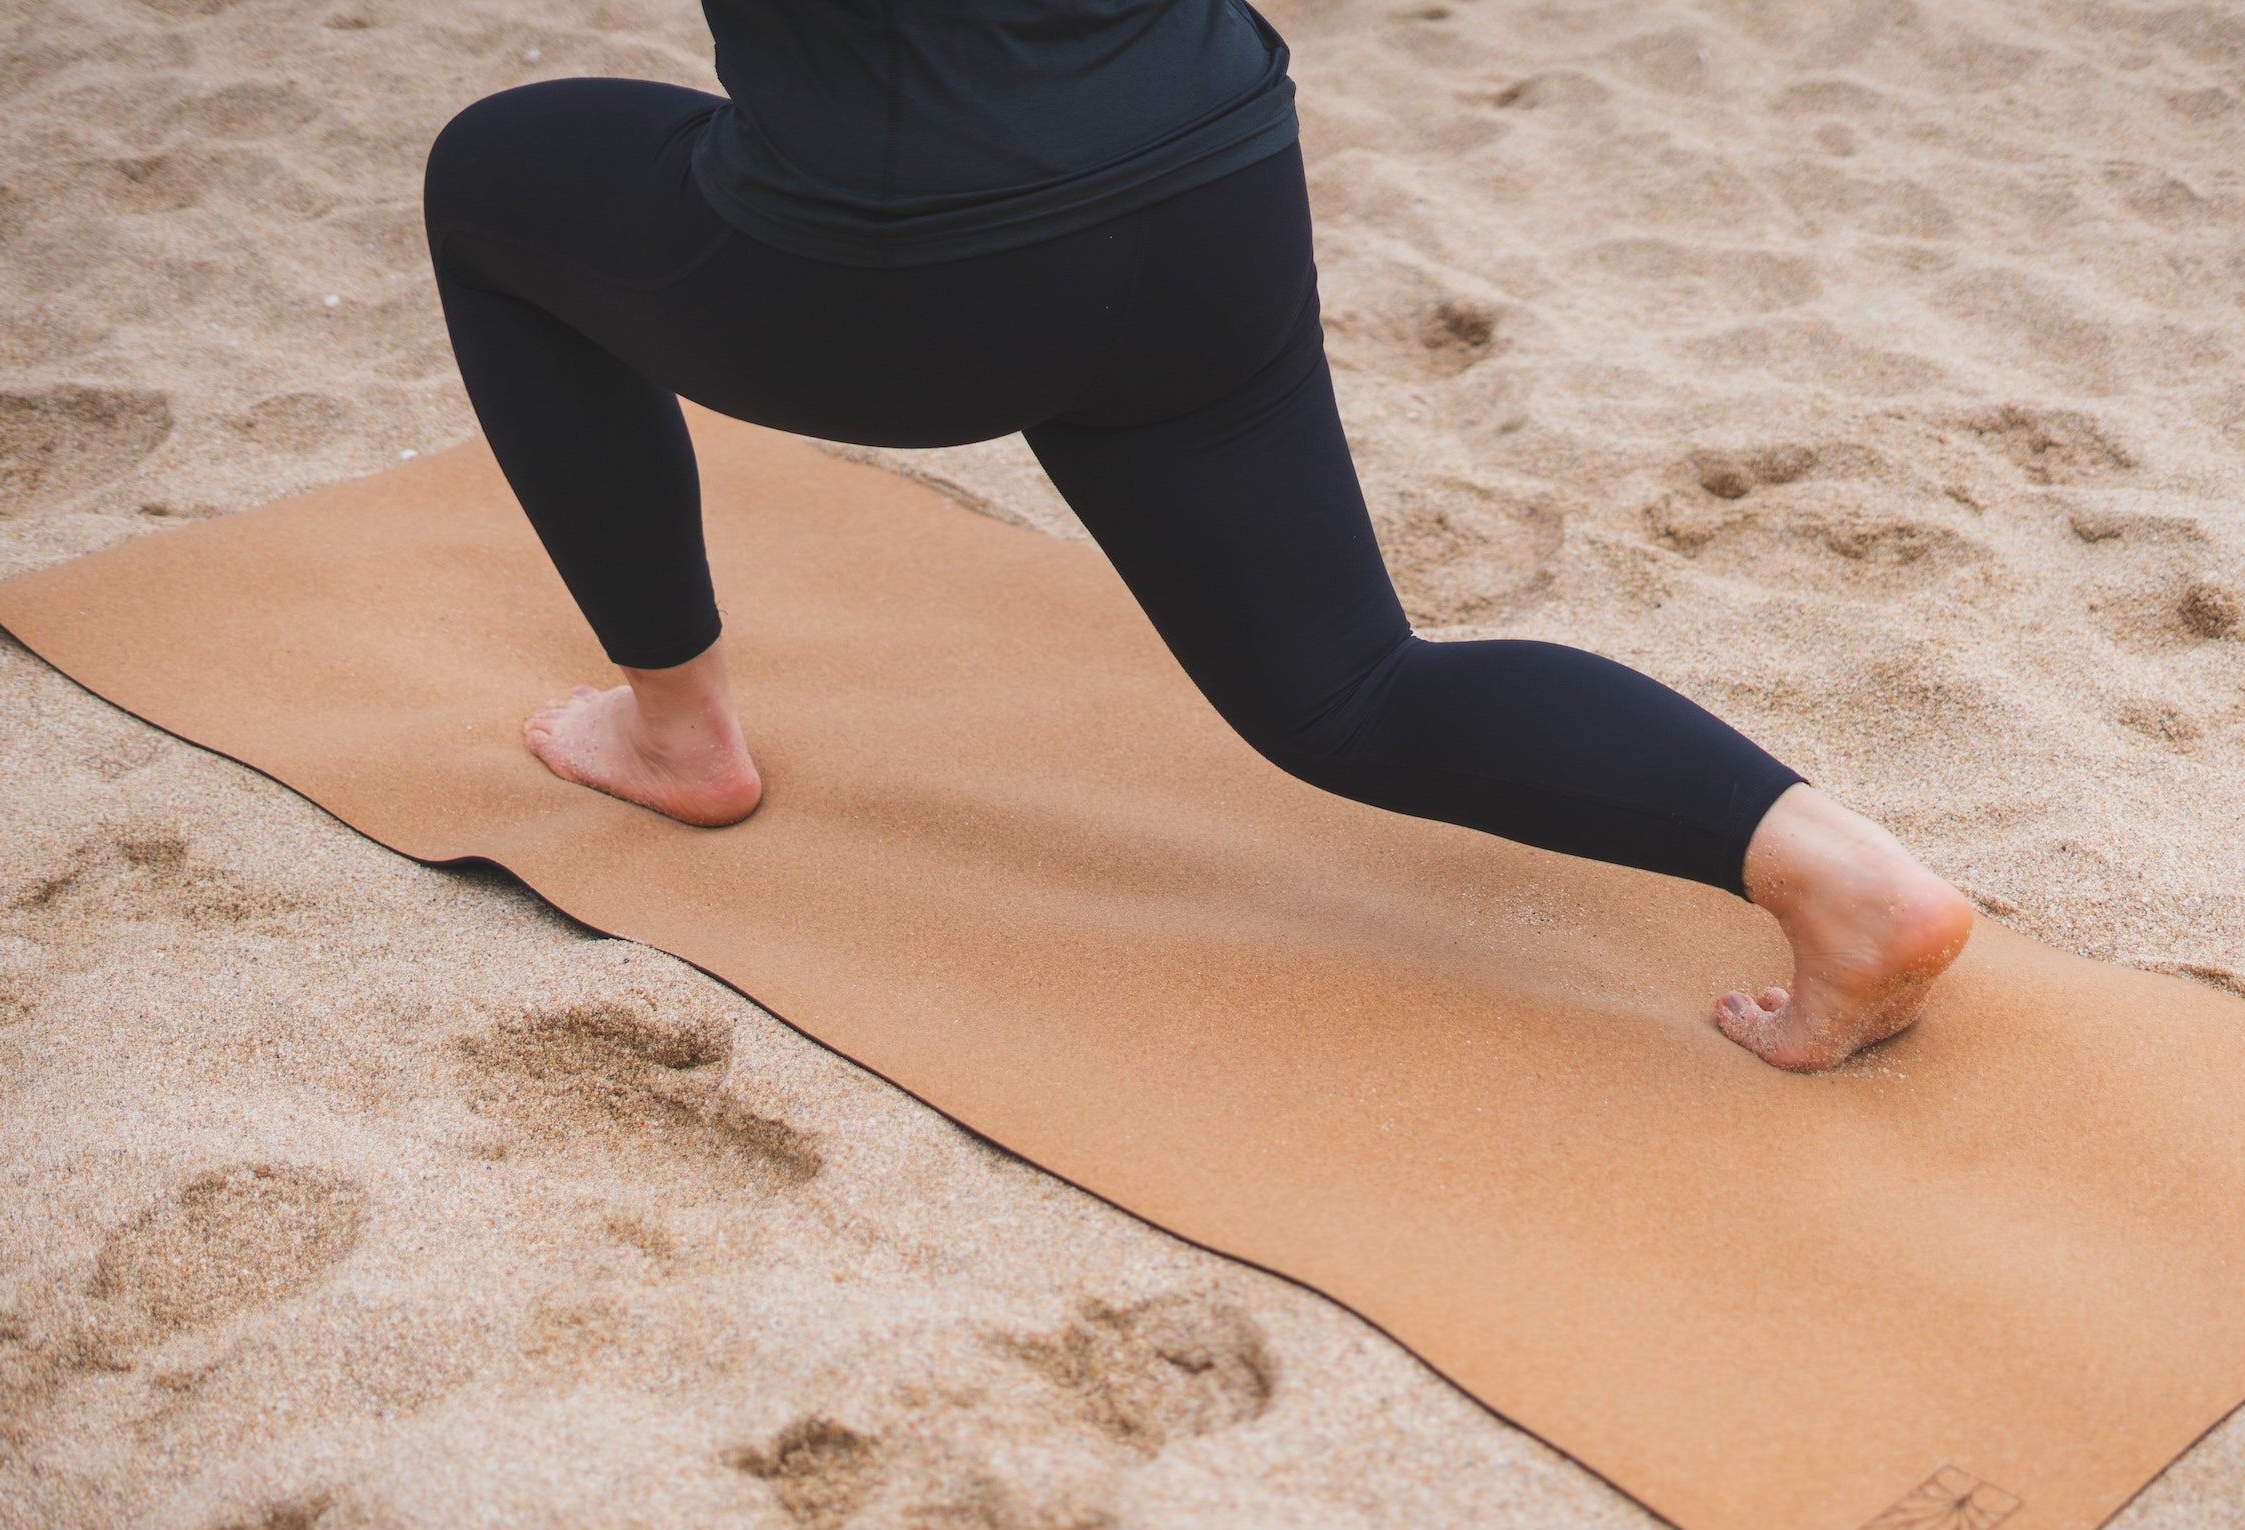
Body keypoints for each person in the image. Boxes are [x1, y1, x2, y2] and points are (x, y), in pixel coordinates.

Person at [421, 0, 1971, 1070]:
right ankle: (1836, 871)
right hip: (1210, 172)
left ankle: (678, 734)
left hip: (912, 270)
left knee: (491, 178)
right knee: (1350, 688)